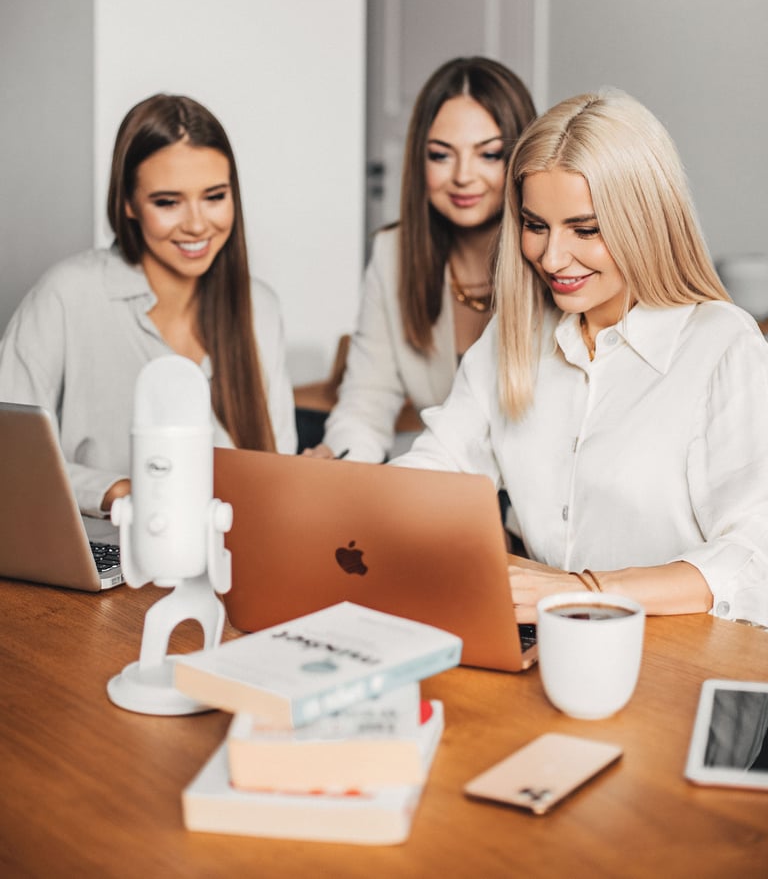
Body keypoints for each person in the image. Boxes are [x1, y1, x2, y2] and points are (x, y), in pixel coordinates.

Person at [394, 90, 768, 628]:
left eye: (584, 229)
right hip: (546, 642)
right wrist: (358, 516)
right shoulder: (516, 333)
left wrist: (585, 591)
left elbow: (755, 554)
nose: (552, 257)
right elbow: (436, 468)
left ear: (645, 221)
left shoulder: (720, 345)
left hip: (672, 654)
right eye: (535, 225)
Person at [0, 94, 297, 517]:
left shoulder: (259, 307)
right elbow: (9, 455)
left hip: (230, 562)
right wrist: (113, 491)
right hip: (103, 559)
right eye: (167, 202)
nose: (197, 224)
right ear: (128, 203)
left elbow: (277, 467)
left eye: (214, 196)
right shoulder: (67, 295)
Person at [305, 55, 536, 463]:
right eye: (441, 155)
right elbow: (366, 401)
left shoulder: (549, 256)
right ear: (419, 160)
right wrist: (339, 460)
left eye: (489, 155)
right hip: (442, 485)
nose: (463, 176)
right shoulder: (392, 254)